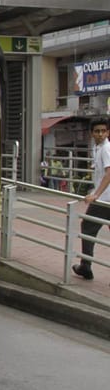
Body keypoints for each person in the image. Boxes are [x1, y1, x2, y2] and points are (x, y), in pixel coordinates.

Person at [72, 118, 110, 281]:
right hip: (105, 197)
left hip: (105, 200)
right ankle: (85, 265)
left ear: (108, 132)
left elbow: (109, 173)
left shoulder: (106, 149)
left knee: (87, 227)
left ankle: (86, 266)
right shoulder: (98, 148)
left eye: (103, 131)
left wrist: (96, 195)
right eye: (97, 131)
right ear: (91, 133)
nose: (100, 134)